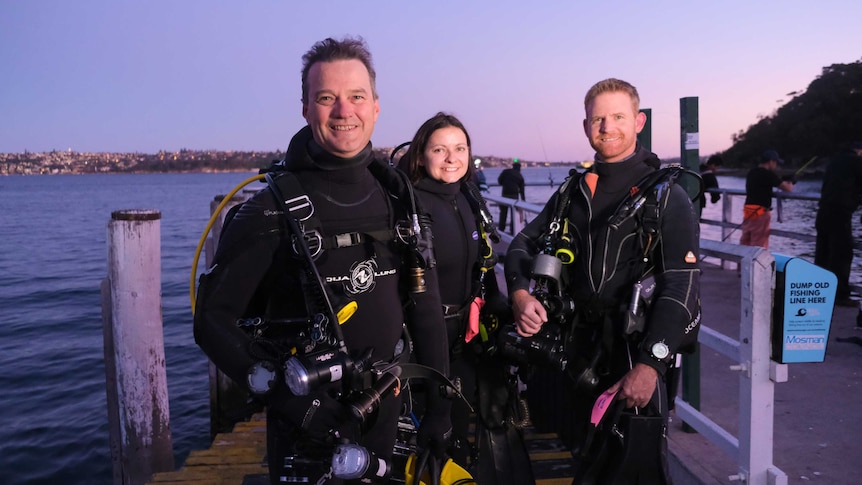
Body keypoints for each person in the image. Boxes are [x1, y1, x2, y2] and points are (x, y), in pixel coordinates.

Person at [193, 37, 452, 484]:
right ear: (305, 108)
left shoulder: (399, 198)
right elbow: (212, 322)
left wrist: (440, 410)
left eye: (356, 97)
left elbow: (426, 311)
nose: (343, 111)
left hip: (386, 408)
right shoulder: (270, 209)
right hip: (306, 431)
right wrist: (302, 406)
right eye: (326, 98)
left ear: (375, 106)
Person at [504, 78, 701, 483]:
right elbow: (522, 243)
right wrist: (521, 296)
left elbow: (681, 285)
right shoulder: (572, 191)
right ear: (585, 126)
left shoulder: (668, 197)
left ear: (638, 122)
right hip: (577, 357)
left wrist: (650, 365)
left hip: (635, 356)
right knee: (583, 462)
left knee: (635, 470)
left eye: (617, 117)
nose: (607, 127)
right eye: (598, 119)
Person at [398, 112, 532, 483]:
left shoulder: (468, 198)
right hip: (420, 345)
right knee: (423, 441)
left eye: (460, 149)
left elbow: (483, 269)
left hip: (463, 340)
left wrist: (502, 310)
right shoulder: (413, 207)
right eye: (439, 149)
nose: (451, 158)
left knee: (456, 433)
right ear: (421, 155)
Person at [815, 141, 862, 307]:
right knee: (841, 254)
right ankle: (840, 295)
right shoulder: (856, 161)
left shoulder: (834, 161)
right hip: (840, 212)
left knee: (823, 253)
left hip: (823, 211)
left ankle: (820, 292)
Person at [739, 150, 794, 248]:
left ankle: (742, 263)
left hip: (748, 209)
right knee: (759, 245)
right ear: (771, 161)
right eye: (776, 162)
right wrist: (791, 181)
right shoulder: (768, 174)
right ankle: (756, 263)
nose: (776, 165)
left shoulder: (752, 172)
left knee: (745, 242)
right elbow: (788, 189)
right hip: (761, 212)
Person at [497, 159, 525, 231]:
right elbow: (522, 191)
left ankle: (501, 229)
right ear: (519, 168)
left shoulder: (505, 172)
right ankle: (512, 230)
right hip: (514, 197)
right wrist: (523, 202)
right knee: (514, 216)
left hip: (504, 196)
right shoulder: (519, 176)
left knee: (503, 214)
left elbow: (499, 181)